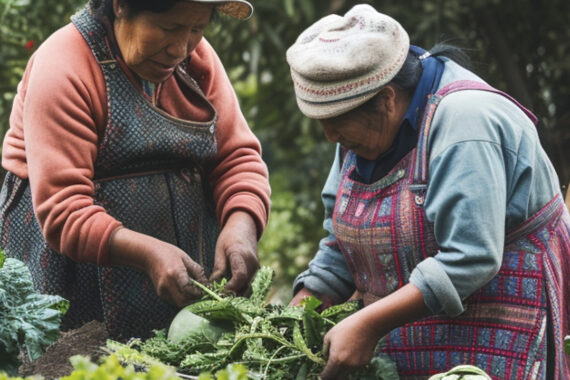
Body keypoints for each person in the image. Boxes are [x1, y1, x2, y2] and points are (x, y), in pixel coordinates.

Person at [286, 4, 570, 380]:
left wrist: (368, 325)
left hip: (501, 317)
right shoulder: (362, 133)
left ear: (387, 98)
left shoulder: (466, 120)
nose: (330, 138)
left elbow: (471, 257)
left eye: (336, 124)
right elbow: (340, 244)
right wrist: (302, 307)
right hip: (416, 338)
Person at [0, 0, 271, 340]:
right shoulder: (64, 65)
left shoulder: (196, 58)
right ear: (121, 7)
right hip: (76, 271)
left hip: (179, 259)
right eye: (169, 28)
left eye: (196, 29)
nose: (180, 48)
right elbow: (64, 209)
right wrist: (148, 253)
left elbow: (236, 156)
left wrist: (242, 223)